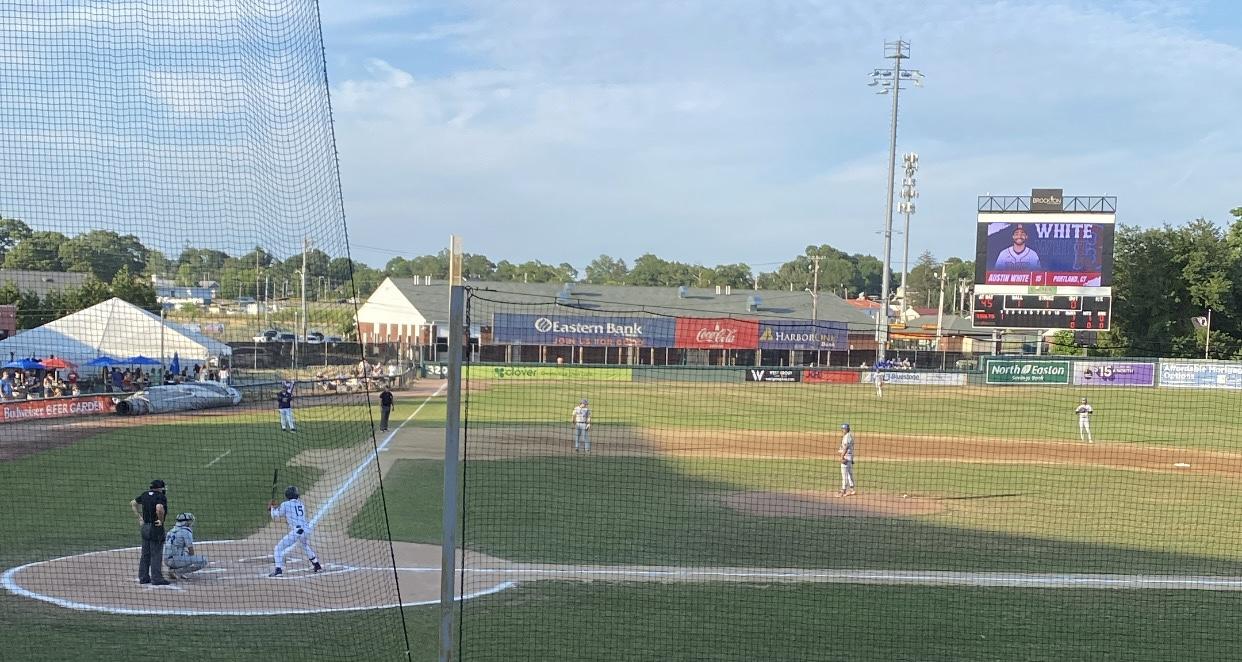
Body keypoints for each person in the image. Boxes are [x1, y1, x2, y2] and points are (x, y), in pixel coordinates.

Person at [267, 486, 322, 577]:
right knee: (304, 545)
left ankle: (278, 570)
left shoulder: (285, 504)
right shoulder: (301, 504)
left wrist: (271, 508)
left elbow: (275, 516)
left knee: (278, 548)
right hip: (306, 530)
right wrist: (275, 508)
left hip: (297, 531)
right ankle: (317, 565)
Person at [129, 479, 170, 585]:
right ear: (160, 488)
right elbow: (159, 508)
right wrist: (160, 520)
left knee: (145, 554)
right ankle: (157, 578)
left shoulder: (144, 494)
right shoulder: (160, 496)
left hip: (145, 527)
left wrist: (139, 518)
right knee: (156, 553)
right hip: (155, 528)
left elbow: (133, 503)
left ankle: (143, 577)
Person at [163, 512, 208, 579]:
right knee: (203, 560)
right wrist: (190, 560)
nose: (190, 523)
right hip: (175, 560)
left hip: (166, 560)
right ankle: (178, 571)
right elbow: (191, 549)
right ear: (185, 522)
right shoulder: (186, 532)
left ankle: (171, 570)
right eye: (189, 521)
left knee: (184, 552)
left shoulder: (171, 531)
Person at [838, 423, 856, 497]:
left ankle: (843, 491)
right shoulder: (849, 436)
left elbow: (845, 448)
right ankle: (852, 489)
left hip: (846, 457)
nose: (842, 430)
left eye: (843, 429)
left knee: (844, 475)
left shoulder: (846, 437)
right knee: (849, 474)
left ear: (846, 429)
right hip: (850, 457)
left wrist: (842, 457)